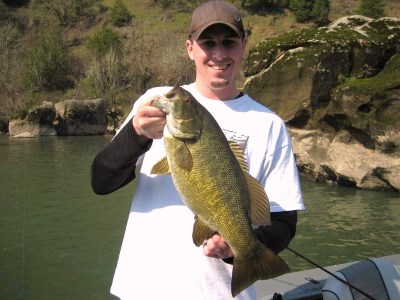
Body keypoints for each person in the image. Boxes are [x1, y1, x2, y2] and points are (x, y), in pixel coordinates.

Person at [91, 1, 305, 299]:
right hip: (142, 289)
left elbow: (284, 223)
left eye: (229, 42)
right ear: (190, 48)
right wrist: (136, 134)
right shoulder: (154, 101)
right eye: (208, 43)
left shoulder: (269, 124)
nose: (219, 54)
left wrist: (240, 247)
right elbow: (101, 182)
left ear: (243, 45)